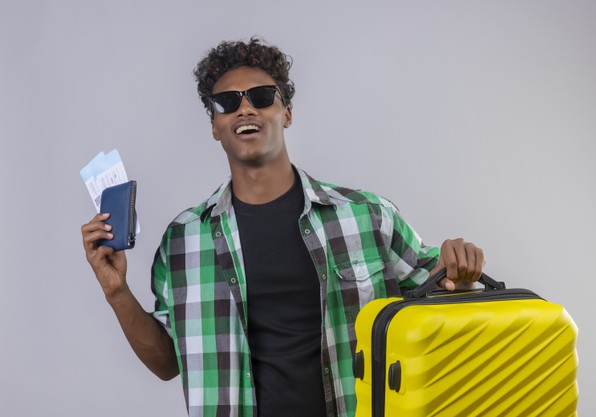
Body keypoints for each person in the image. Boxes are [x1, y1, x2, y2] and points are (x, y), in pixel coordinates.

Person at [81, 38, 485, 417]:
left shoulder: (367, 215)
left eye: (261, 97)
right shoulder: (184, 241)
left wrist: (461, 271)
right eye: (227, 102)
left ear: (286, 113)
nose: (245, 109)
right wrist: (116, 292)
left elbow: (440, 291)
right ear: (215, 126)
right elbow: (168, 363)